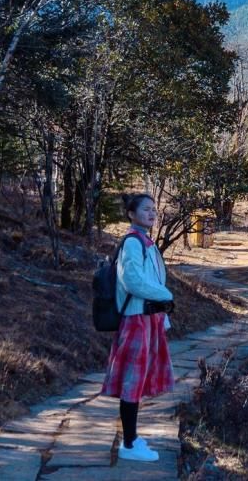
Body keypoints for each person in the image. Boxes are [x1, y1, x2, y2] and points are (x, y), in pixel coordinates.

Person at [101, 193, 175, 463]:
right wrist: (165, 295)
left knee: (139, 380)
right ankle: (130, 445)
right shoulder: (133, 242)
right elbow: (132, 280)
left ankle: (131, 437)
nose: (152, 213)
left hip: (147, 319)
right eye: (146, 209)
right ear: (131, 214)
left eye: (154, 209)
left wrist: (162, 313)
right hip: (136, 320)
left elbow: (149, 279)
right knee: (132, 382)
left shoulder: (146, 242)